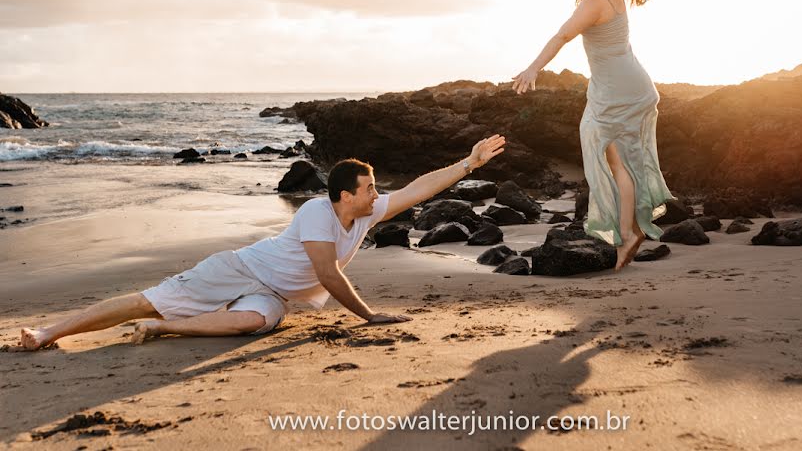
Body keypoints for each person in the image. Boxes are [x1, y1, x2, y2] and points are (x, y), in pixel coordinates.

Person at [20, 135, 506, 350]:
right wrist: (369, 316)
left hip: (270, 295)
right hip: (240, 269)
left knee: (252, 322)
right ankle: (49, 334)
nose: (378, 195)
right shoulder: (319, 213)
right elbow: (328, 274)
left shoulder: (366, 211)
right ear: (344, 195)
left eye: (376, 188)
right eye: (370, 188)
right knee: (147, 303)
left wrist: (469, 164)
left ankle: (167, 330)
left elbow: (419, 188)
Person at [511, 0, 673, 271]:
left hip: (617, 90)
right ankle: (630, 230)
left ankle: (629, 233)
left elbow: (561, 36)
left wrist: (533, 66)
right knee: (621, 161)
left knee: (612, 159)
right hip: (632, 83)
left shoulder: (594, 2)